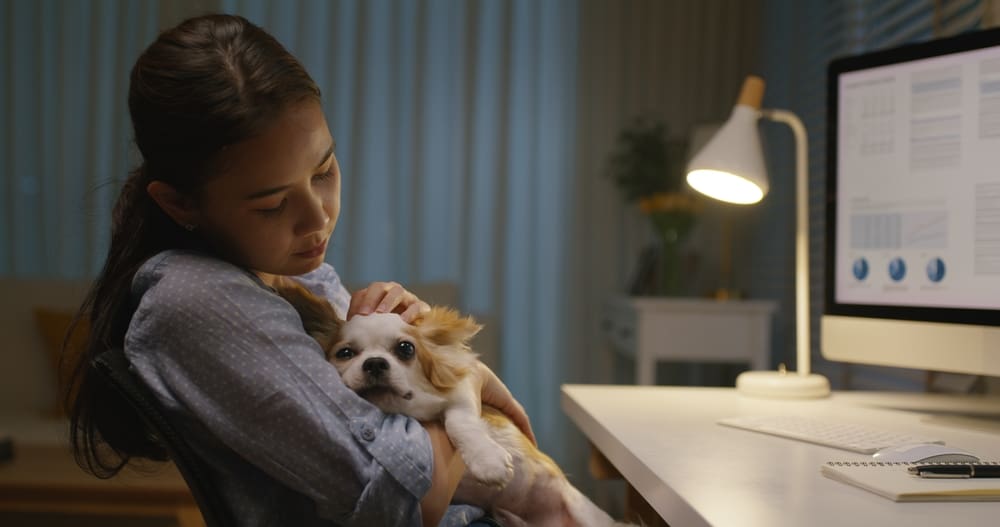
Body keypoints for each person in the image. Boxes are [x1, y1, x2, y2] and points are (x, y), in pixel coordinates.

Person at [63, 13, 533, 527]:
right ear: (179, 205)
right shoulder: (198, 298)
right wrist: (461, 383)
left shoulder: (294, 276)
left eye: (324, 171)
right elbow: (406, 499)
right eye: (271, 205)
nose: (319, 217)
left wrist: (415, 348)